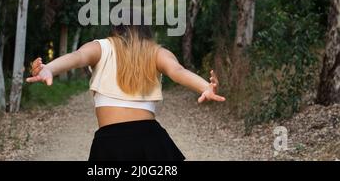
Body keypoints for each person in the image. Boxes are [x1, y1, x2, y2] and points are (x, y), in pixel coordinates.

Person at [26, 11, 226, 161]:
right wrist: (204, 86)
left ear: (115, 29)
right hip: (151, 140)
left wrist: (49, 69)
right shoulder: (155, 51)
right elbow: (178, 71)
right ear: (146, 30)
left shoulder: (101, 47)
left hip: (110, 143)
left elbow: (77, 57)